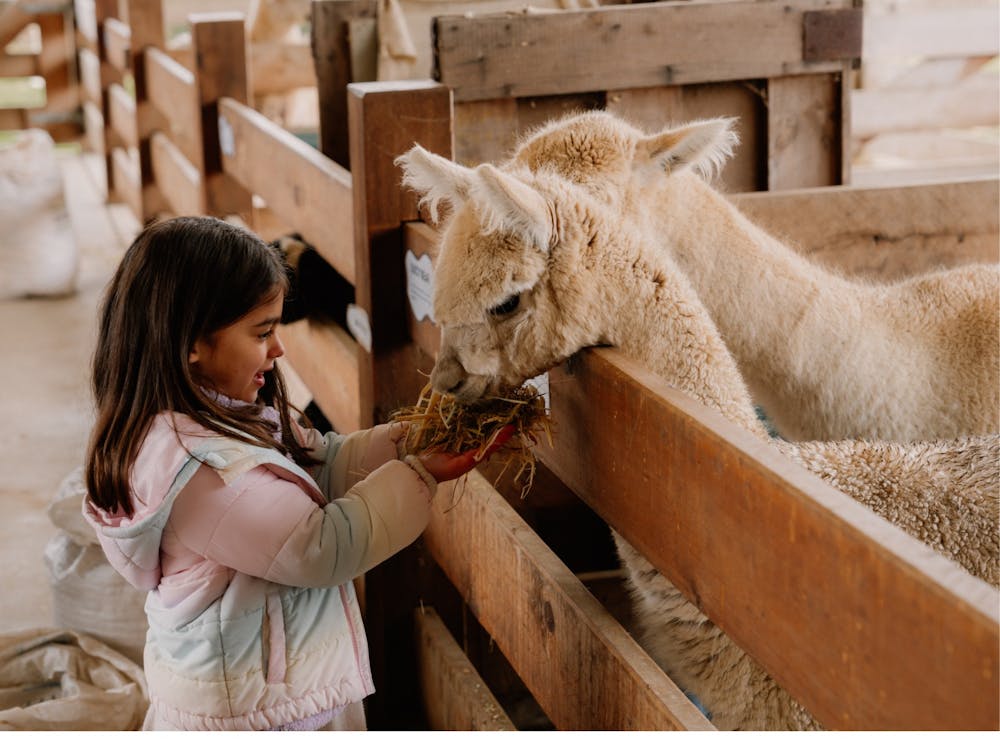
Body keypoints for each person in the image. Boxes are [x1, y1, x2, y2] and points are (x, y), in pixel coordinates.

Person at [83, 215, 509, 731]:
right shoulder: (200, 472)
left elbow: (316, 468)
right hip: (254, 718)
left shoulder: (225, 415)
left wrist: (405, 443)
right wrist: (418, 475)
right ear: (192, 341)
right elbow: (317, 547)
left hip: (276, 691)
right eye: (263, 332)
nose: (279, 348)